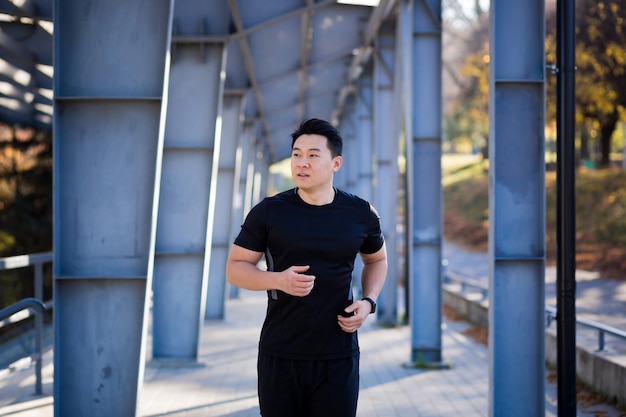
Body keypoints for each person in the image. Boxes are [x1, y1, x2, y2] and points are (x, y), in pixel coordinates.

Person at [226, 117, 387, 417]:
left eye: (313, 155)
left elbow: (376, 259)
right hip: (281, 353)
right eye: (297, 154)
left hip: (338, 355)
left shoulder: (361, 213)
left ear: (335, 163)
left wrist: (368, 302)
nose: (302, 162)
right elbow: (235, 269)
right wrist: (277, 280)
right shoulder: (268, 212)